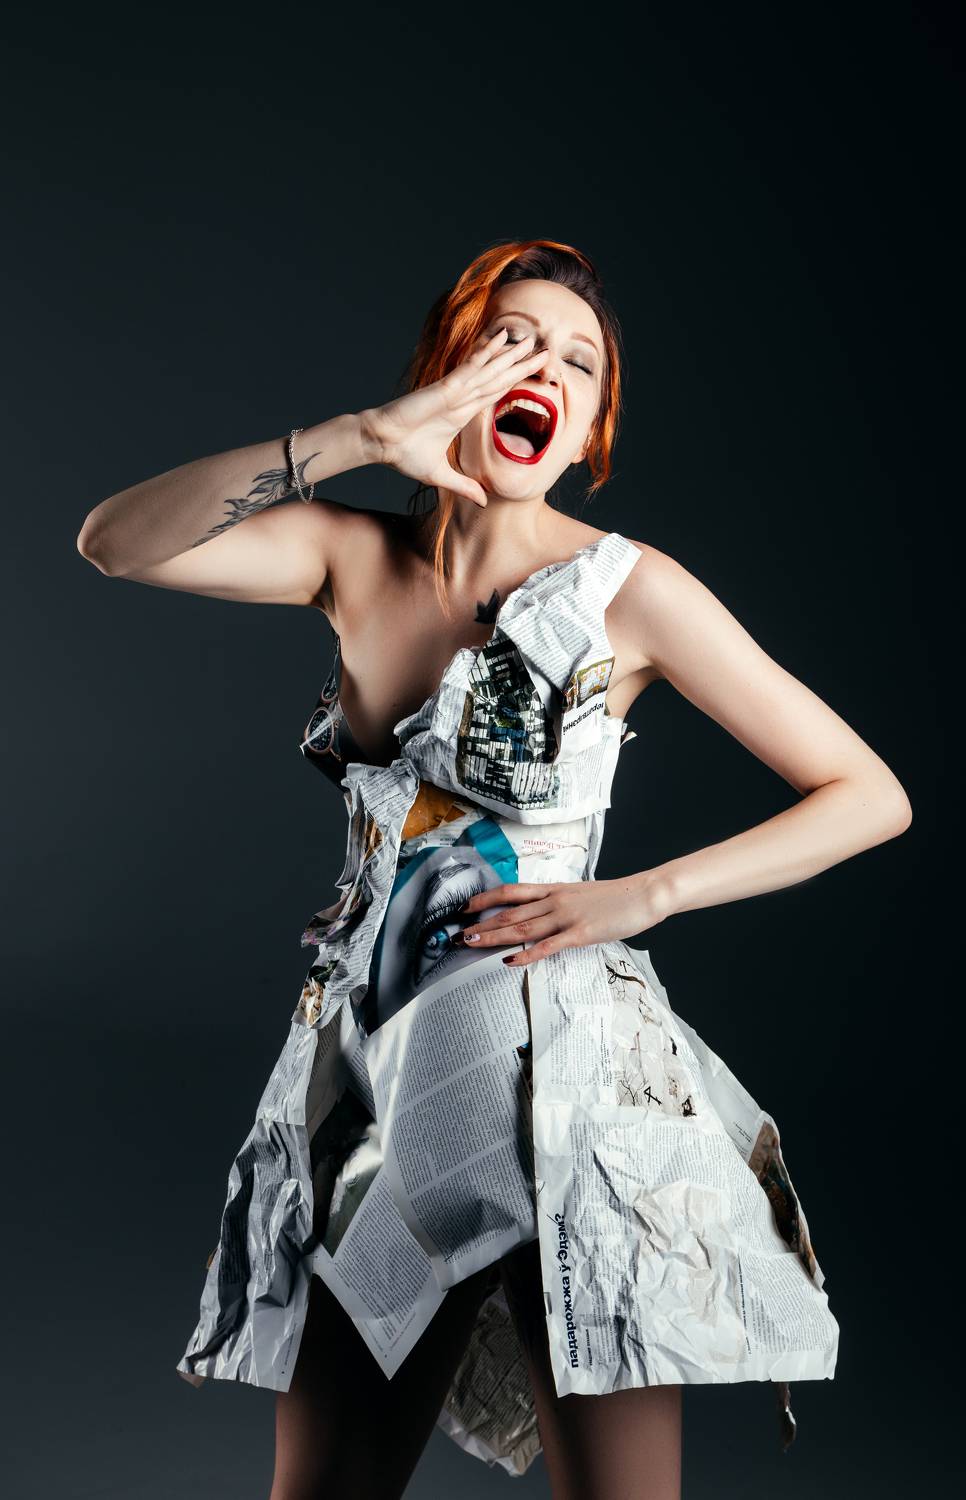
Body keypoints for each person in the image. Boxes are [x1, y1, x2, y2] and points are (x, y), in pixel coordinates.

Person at [76, 239, 912, 1500]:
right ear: (447, 371)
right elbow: (115, 542)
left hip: (574, 1105)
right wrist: (367, 435)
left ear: (589, 430)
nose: (544, 371)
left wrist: (643, 897)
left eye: (578, 364)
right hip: (372, 1097)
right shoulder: (352, 558)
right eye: (509, 341)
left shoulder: (629, 590)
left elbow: (869, 794)